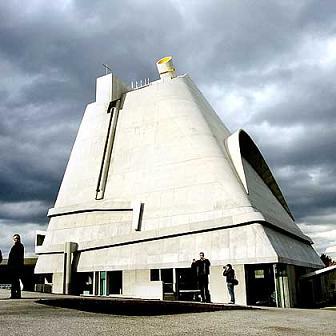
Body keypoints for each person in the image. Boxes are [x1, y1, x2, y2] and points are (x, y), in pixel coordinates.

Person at [8, 234, 24, 299]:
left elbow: (19, 258)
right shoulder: (14, 247)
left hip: (17, 267)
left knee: (16, 281)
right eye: (15, 239)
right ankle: (14, 294)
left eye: (17, 238)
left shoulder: (20, 246)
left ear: (19, 239)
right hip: (13, 267)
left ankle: (16, 294)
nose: (16, 240)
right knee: (14, 282)